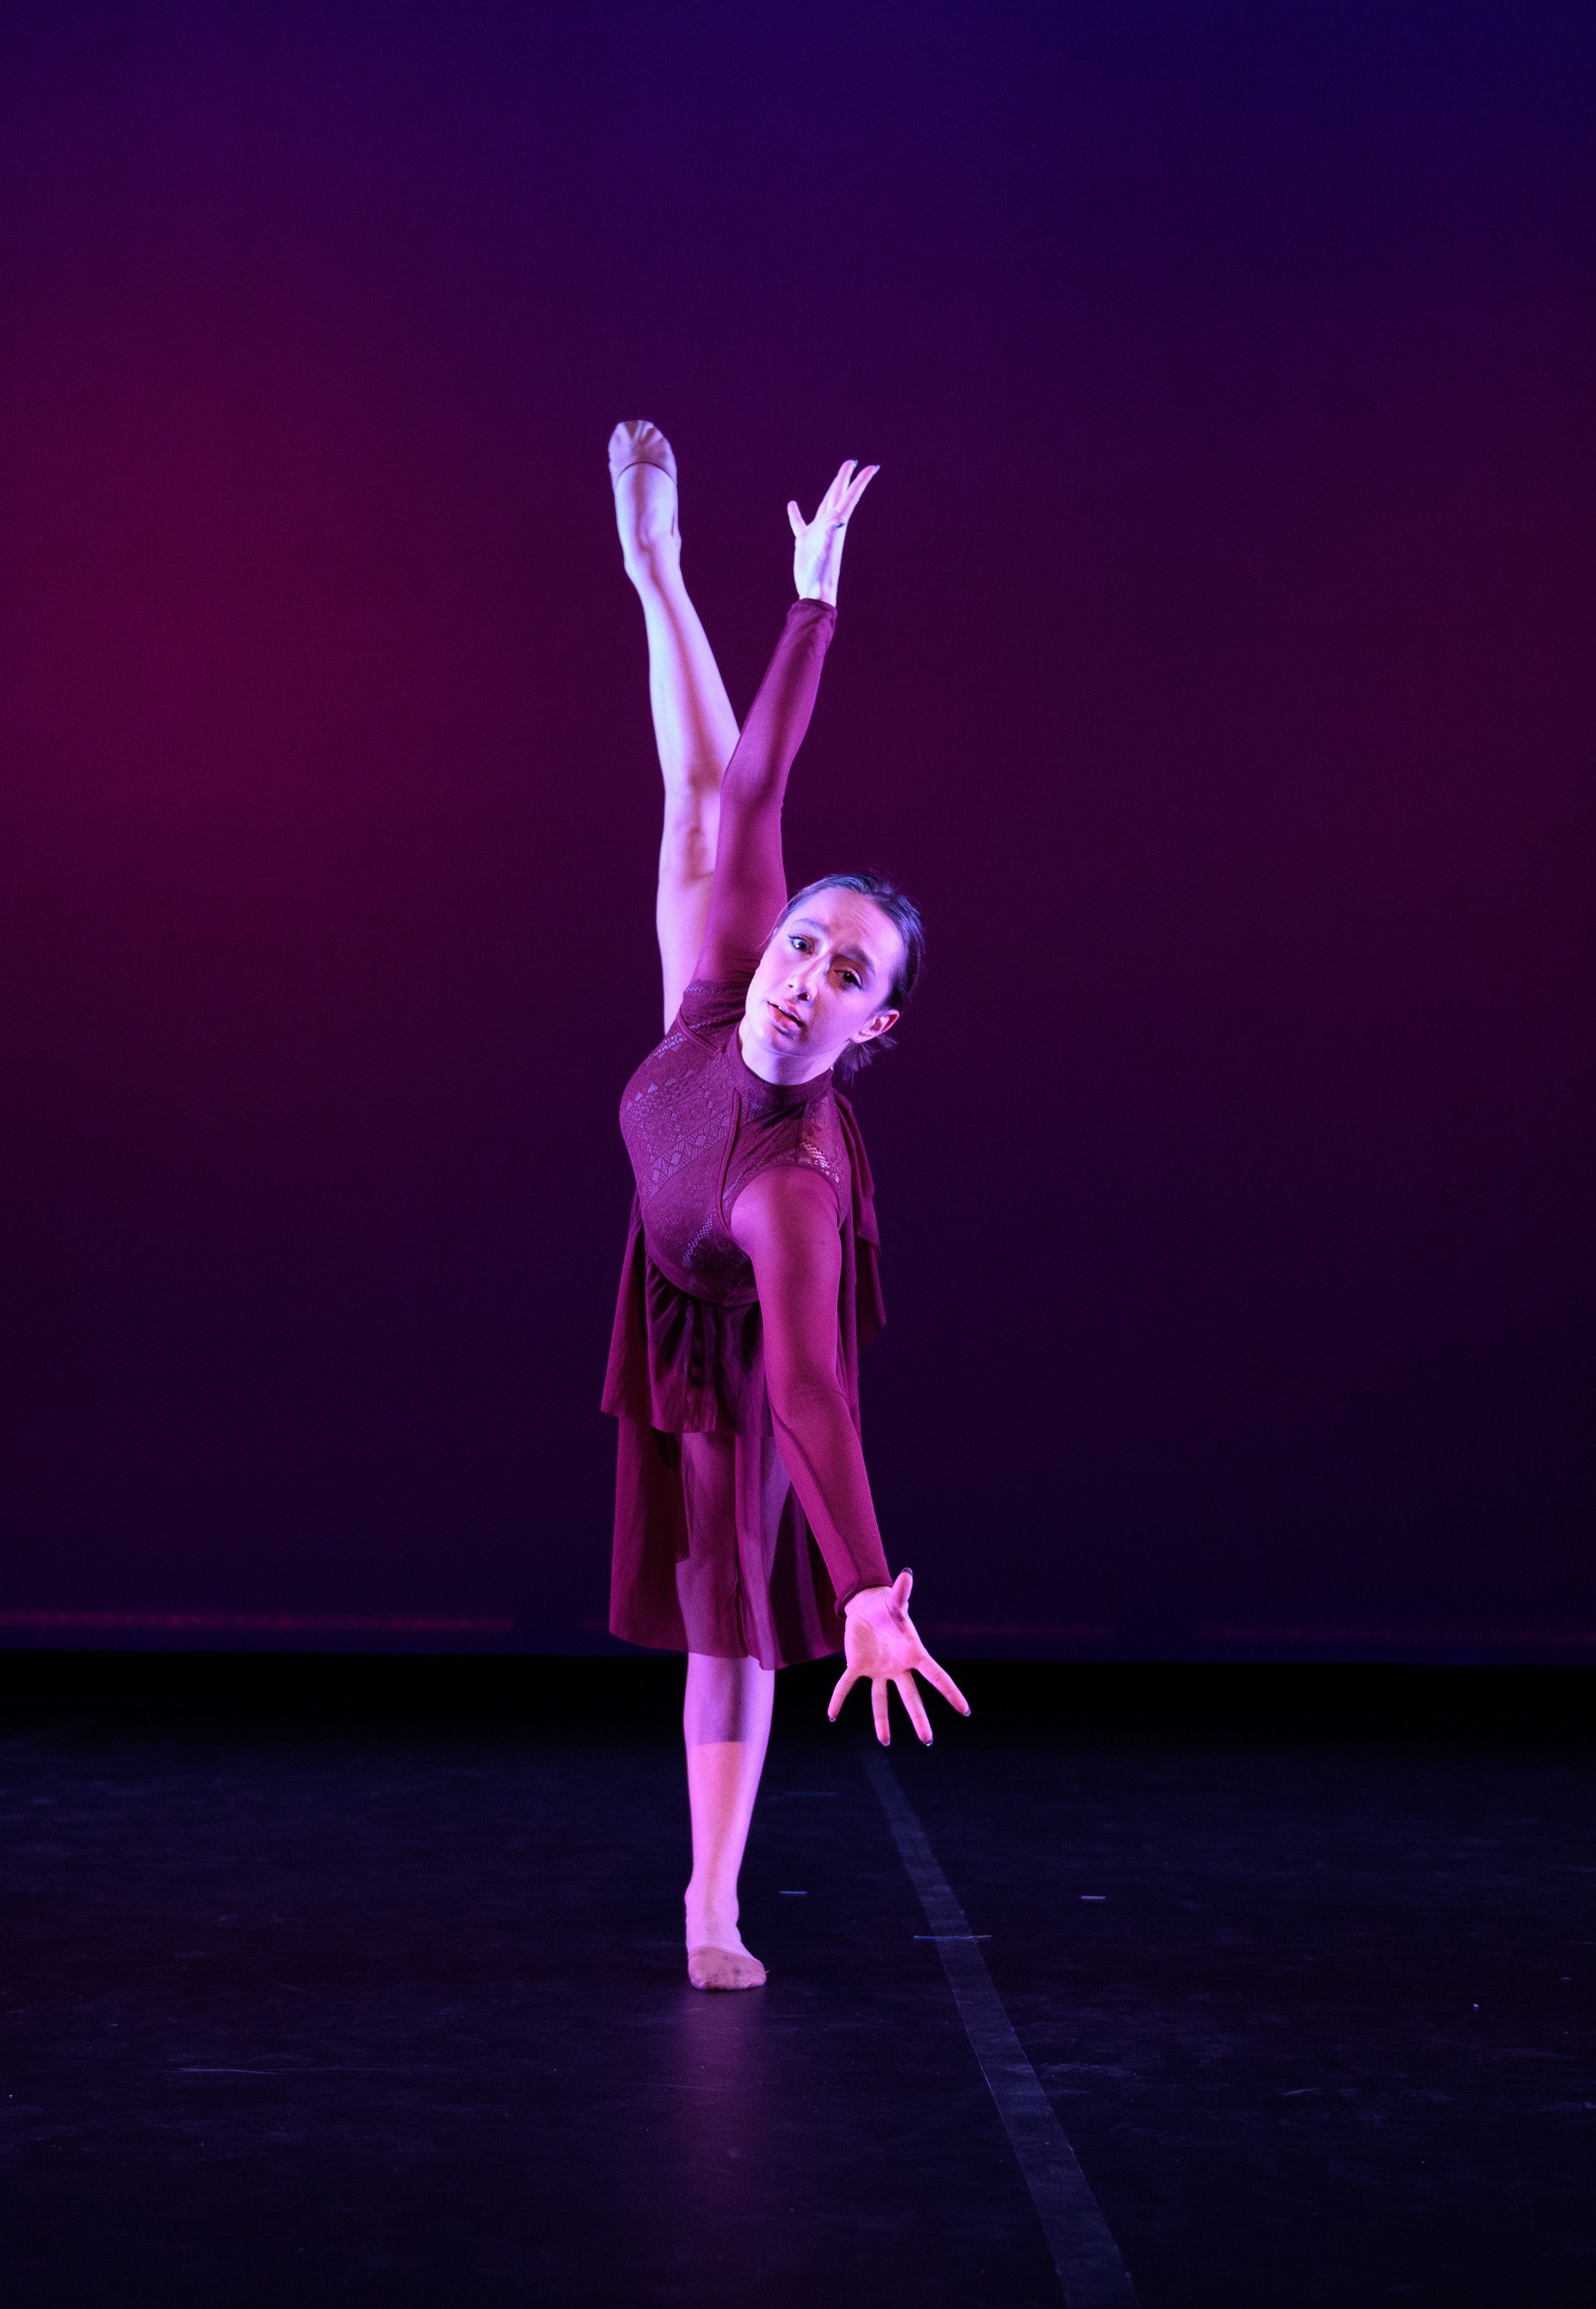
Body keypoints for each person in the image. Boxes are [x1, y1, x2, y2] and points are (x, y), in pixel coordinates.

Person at [601, 421, 969, 1994]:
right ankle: (653, 567)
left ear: (871, 1028)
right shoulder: (731, 996)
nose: (805, 975)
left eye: (844, 976)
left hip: (725, 1308)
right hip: (692, 1106)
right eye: (806, 942)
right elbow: (760, 783)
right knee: (707, 804)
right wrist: (812, 600)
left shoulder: (795, 1194)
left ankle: (710, 1902)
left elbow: (817, 1394)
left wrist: (874, 1586)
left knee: (728, 1613)